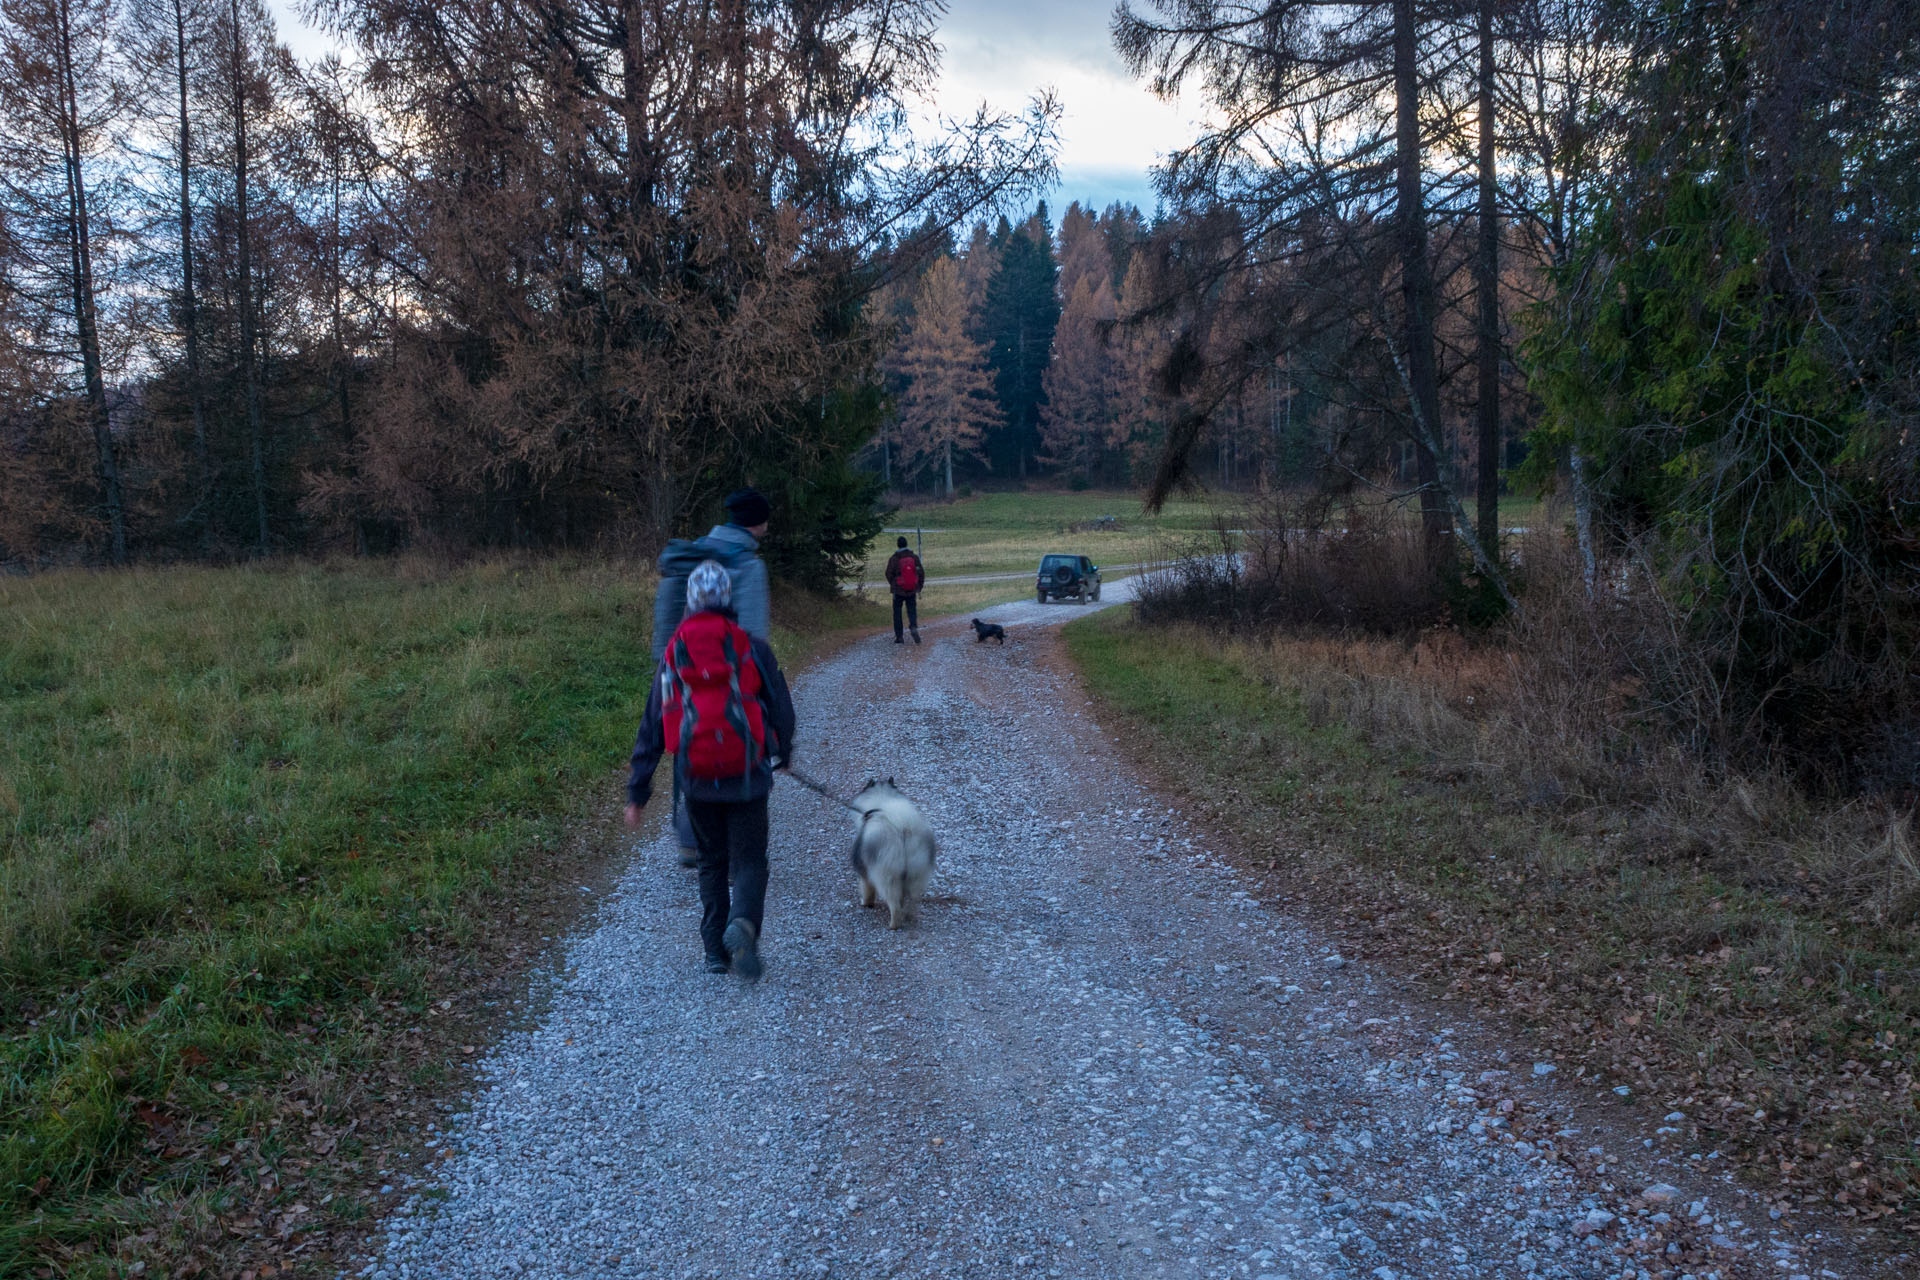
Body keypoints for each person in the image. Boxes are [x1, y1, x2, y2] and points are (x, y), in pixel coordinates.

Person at [627, 561, 795, 980]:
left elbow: (651, 725)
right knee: (752, 860)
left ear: (689, 603)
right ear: (728, 600)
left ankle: (714, 953)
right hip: (747, 775)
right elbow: (781, 708)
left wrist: (637, 792)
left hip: (696, 778)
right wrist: (782, 751)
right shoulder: (751, 647)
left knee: (711, 861)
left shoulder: (673, 653)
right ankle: (744, 923)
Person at [652, 488, 773, 864]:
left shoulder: (696, 554)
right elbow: (753, 637)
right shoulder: (748, 565)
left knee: (689, 740)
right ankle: (737, 847)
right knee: (738, 748)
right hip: (730, 678)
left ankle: (691, 838)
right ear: (759, 523)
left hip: (678, 669)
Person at [884, 535, 925, 644]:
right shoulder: (914, 557)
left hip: (898, 590)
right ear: (906, 544)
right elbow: (921, 573)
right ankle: (913, 626)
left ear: (898, 545)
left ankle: (899, 636)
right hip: (911, 589)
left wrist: (894, 584)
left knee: (897, 613)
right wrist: (919, 586)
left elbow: (888, 573)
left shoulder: (894, 558)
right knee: (912, 610)